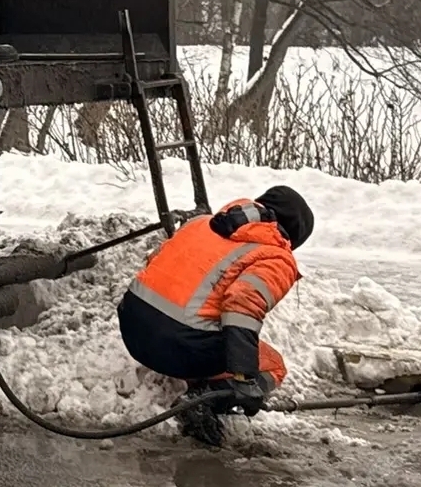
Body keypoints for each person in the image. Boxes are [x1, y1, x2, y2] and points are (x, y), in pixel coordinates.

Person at [116, 186, 315, 447]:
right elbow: (242, 308)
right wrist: (244, 379)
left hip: (132, 327)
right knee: (273, 365)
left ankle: (194, 376)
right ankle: (205, 401)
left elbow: (155, 260)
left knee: (203, 318)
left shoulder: (200, 223)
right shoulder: (277, 257)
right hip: (176, 346)